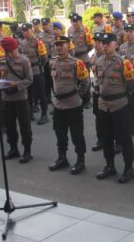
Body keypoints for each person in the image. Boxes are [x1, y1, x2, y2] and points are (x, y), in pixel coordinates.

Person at [95, 33, 134, 183]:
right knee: (106, 137)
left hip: (119, 104)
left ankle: (129, 168)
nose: (105, 45)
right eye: (103, 43)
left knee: (124, 137)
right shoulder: (99, 62)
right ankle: (110, 165)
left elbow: (132, 85)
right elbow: (98, 81)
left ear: (116, 45)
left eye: (108, 43)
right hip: (103, 105)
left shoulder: (123, 62)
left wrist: (123, 96)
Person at [48, 36, 90, 174]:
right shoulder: (52, 62)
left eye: (62, 45)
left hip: (73, 105)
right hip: (58, 105)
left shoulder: (76, 63)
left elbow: (85, 82)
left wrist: (78, 96)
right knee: (60, 133)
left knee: (76, 134)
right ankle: (62, 158)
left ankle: (80, 160)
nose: (59, 47)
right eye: (57, 45)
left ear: (68, 46)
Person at [0, 36, 35, 163]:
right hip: (6, 99)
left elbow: (29, 80)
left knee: (25, 126)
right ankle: (13, 148)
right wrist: (3, 84)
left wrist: (16, 85)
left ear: (15, 48)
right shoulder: (1, 61)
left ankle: (27, 151)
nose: (8, 54)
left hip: (20, 98)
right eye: (6, 51)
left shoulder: (24, 61)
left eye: (10, 51)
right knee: (9, 126)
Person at [18, 23, 49, 125]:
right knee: (29, 93)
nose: (25, 33)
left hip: (37, 71)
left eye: (27, 30)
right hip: (27, 72)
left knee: (41, 93)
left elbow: (44, 58)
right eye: (23, 31)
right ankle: (30, 112)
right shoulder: (22, 42)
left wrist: (39, 67)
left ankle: (44, 114)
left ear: (31, 30)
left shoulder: (38, 42)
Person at [89, 32, 105, 152]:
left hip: (108, 91)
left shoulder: (108, 55)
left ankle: (117, 141)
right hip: (96, 89)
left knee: (111, 117)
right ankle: (100, 139)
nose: (96, 43)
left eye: (99, 41)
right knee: (98, 117)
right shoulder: (92, 55)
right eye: (95, 41)